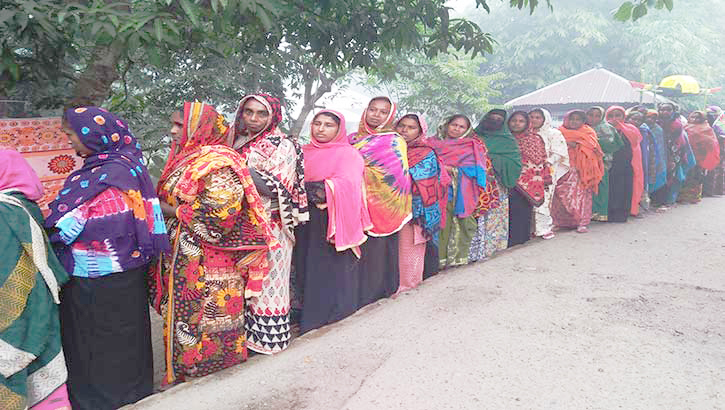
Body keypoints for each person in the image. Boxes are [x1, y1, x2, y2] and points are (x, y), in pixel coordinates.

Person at [46, 107, 169, 410]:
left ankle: (112, 400)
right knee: (106, 339)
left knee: (107, 342)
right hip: (107, 275)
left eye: (72, 135)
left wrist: (52, 224)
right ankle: (115, 395)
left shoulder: (115, 173)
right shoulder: (103, 168)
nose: (70, 143)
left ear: (93, 135)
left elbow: (103, 223)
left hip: (106, 276)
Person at [149, 102, 277, 386]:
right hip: (184, 257)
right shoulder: (188, 158)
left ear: (200, 128)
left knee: (207, 325)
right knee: (186, 322)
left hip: (209, 264)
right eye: (172, 124)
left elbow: (220, 217)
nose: (172, 131)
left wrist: (169, 209)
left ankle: (212, 386)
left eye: (179, 126)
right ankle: (187, 378)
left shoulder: (217, 163)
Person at [227, 94, 308, 354]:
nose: (253, 118)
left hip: (270, 226)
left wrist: (235, 166)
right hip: (237, 224)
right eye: (248, 112)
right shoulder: (234, 141)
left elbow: (276, 186)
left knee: (269, 284)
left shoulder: (282, 145)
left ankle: (268, 343)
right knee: (239, 283)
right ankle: (241, 342)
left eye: (261, 113)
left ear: (273, 116)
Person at [0, 150, 71, 410]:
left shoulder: (4, 210)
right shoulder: (22, 204)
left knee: (13, 360)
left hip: (12, 308)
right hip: (37, 301)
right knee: (41, 364)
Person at [294, 110, 371, 333]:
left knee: (326, 268)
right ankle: (307, 315)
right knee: (304, 266)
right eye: (317, 123)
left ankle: (330, 317)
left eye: (328, 125)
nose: (321, 128)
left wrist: (312, 188)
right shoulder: (302, 152)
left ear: (339, 129)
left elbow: (348, 184)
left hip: (331, 220)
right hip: (303, 220)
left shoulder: (348, 154)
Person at [348, 97, 411, 305]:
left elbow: (396, 177)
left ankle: (374, 297)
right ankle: (354, 297)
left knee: (377, 254)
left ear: (390, 116)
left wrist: (354, 173)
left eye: (383, 112)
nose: (376, 114)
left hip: (383, 206)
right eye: (373, 110)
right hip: (353, 206)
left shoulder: (394, 140)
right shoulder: (351, 139)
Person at [394, 113, 448, 291]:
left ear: (420, 131)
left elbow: (425, 183)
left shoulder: (425, 153)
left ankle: (409, 287)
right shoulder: (390, 149)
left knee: (409, 250)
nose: (405, 131)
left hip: (415, 211)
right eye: (402, 125)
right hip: (389, 209)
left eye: (411, 128)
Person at [430, 114, 489, 268]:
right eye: (454, 124)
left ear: (467, 129)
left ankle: (456, 258)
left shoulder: (470, 146)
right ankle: (437, 261)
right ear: (447, 124)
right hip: (434, 191)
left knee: (460, 224)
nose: (456, 128)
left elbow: (477, 171)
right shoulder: (432, 143)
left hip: (458, 192)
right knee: (439, 225)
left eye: (461, 126)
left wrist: (452, 170)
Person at [474, 109, 521, 257]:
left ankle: (493, 249)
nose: (494, 120)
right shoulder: (474, 137)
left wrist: (490, 158)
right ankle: (475, 251)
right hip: (474, 185)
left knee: (495, 217)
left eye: (499, 119)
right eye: (492, 117)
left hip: (497, 187)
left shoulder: (508, 141)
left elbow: (515, 164)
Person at [552, 110, 604, 233]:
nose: (574, 122)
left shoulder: (588, 132)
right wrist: (566, 143)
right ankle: (562, 222)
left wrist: (579, 145)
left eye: (578, 119)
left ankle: (582, 222)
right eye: (572, 119)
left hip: (582, 170)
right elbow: (552, 146)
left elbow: (595, 149)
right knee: (561, 195)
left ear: (583, 121)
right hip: (563, 168)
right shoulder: (559, 132)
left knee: (582, 196)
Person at [506, 111, 550, 246]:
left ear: (527, 124)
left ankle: (521, 240)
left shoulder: (535, 138)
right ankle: (508, 241)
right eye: (514, 120)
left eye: (521, 121)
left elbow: (541, 160)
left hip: (529, 182)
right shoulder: (505, 138)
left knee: (523, 211)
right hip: (507, 179)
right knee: (509, 212)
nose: (517, 124)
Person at [529, 108, 569, 240]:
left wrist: (548, 162)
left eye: (537, 117)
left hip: (546, 170)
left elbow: (559, 152)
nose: (534, 120)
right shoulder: (525, 133)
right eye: (532, 117)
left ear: (545, 119)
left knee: (544, 199)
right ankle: (530, 228)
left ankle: (543, 228)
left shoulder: (553, 133)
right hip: (528, 171)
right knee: (528, 199)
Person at [586, 106, 623, 222]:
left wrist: (593, 143)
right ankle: (589, 211)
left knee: (601, 187)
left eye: (597, 116)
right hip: (586, 162)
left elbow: (612, 145)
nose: (593, 118)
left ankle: (601, 212)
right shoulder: (584, 128)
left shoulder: (606, 128)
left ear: (601, 117)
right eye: (590, 115)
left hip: (602, 162)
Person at [606, 106, 644, 217]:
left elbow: (635, 146)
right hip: (608, 165)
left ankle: (623, 212)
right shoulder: (603, 130)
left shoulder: (631, 129)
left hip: (626, 165)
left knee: (624, 188)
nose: (614, 118)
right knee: (610, 189)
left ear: (623, 116)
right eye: (611, 115)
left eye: (618, 115)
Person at [657, 102, 695, 206]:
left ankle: (669, 199)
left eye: (668, 110)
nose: (665, 112)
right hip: (660, 152)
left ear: (673, 111)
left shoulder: (676, 124)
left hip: (674, 153)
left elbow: (675, 140)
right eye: (662, 110)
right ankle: (658, 198)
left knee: (672, 175)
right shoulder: (656, 122)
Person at [680, 110, 720, 204]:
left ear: (703, 119)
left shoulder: (707, 129)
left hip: (699, 158)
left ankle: (693, 197)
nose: (695, 119)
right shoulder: (685, 127)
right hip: (686, 156)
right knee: (685, 175)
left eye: (698, 117)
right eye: (693, 117)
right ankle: (682, 196)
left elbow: (711, 143)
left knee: (696, 177)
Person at [644, 110, 669, 208]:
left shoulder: (658, 130)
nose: (650, 120)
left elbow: (661, 145)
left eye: (653, 118)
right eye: (648, 117)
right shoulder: (642, 128)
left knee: (659, 176)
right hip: (647, 156)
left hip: (659, 156)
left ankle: (658, 200)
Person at [704, 106, 725, 196]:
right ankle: (710, 190)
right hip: (709, 149)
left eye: (713, 114)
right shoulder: (705, 123)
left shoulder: (720, 124)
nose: (711, 116)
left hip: (719, 148)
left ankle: (716, 190)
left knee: (717, 168)